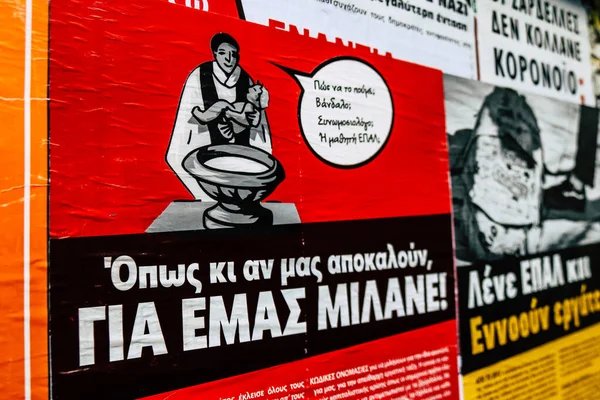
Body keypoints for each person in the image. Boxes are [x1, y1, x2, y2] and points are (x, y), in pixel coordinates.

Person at [166, 33, 272, 200]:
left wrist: (242, 125)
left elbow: (260, 133)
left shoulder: (246, 81)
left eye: (233, 54)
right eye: (223, 53)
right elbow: (185, 131)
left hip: (240, 162)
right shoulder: (199, 76)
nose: (228, 59)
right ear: (215, 53)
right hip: (206, 159)